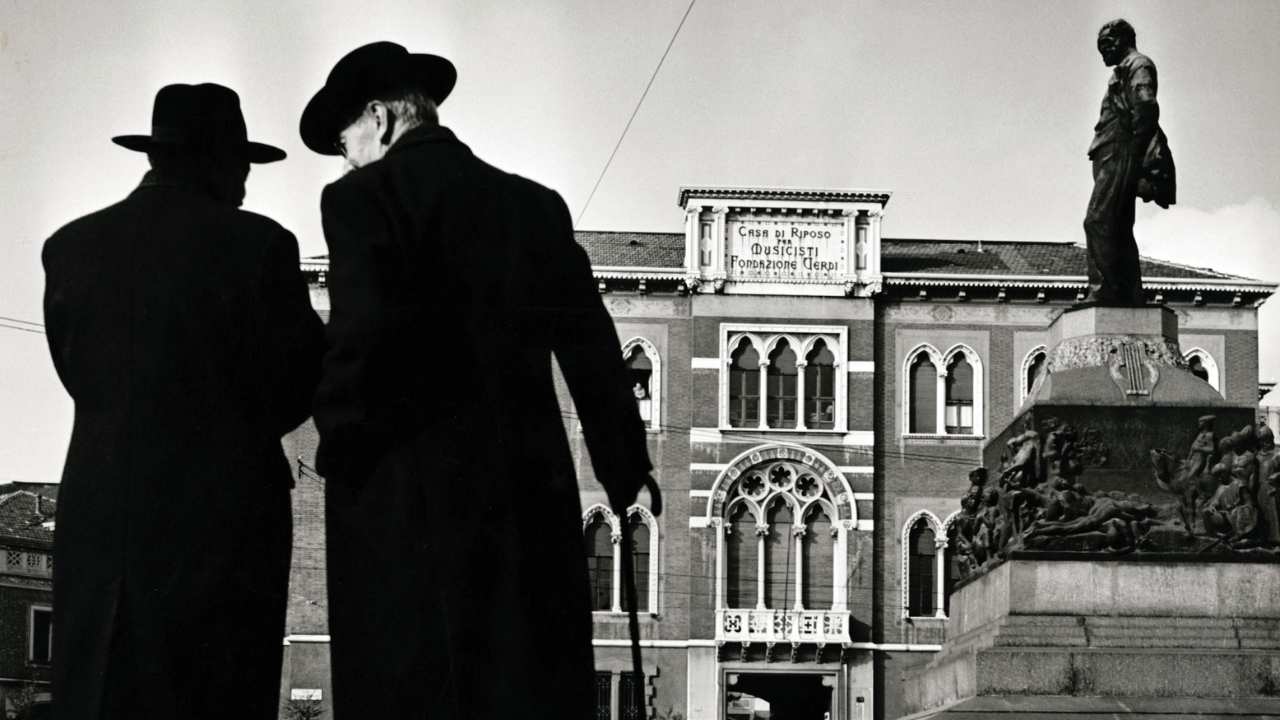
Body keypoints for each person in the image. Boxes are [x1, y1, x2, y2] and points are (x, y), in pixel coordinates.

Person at [300, 42, 657, 718]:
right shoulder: (534, 207)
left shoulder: (363, 199)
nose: (345, 157)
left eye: (344, 140)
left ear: (378, 119)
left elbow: (360, 339)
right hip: (529, 507)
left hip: (411, 511)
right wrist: (623, 465)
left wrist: (339, 448)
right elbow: (591, 348)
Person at [42, 84, 324, 719]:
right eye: (244, 167)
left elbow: (77, 373)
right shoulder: (261, 247)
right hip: (224, 520)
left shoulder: (70, 248)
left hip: (100, 511)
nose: (247, 184)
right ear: (219, 162)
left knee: (101, 690)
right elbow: (302, 379)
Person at [1083, 19, 1176, 305]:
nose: (1103, 53)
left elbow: (1146, 108)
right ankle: (1129, 292)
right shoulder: (1124, 71)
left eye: (1107, 45)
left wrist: (1134, 158)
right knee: (1119, 227)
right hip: (1112, 154)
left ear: (1124, 40)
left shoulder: (1139, 66)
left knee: (1098, 222)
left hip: (1121, 154)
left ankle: (1105, 292)